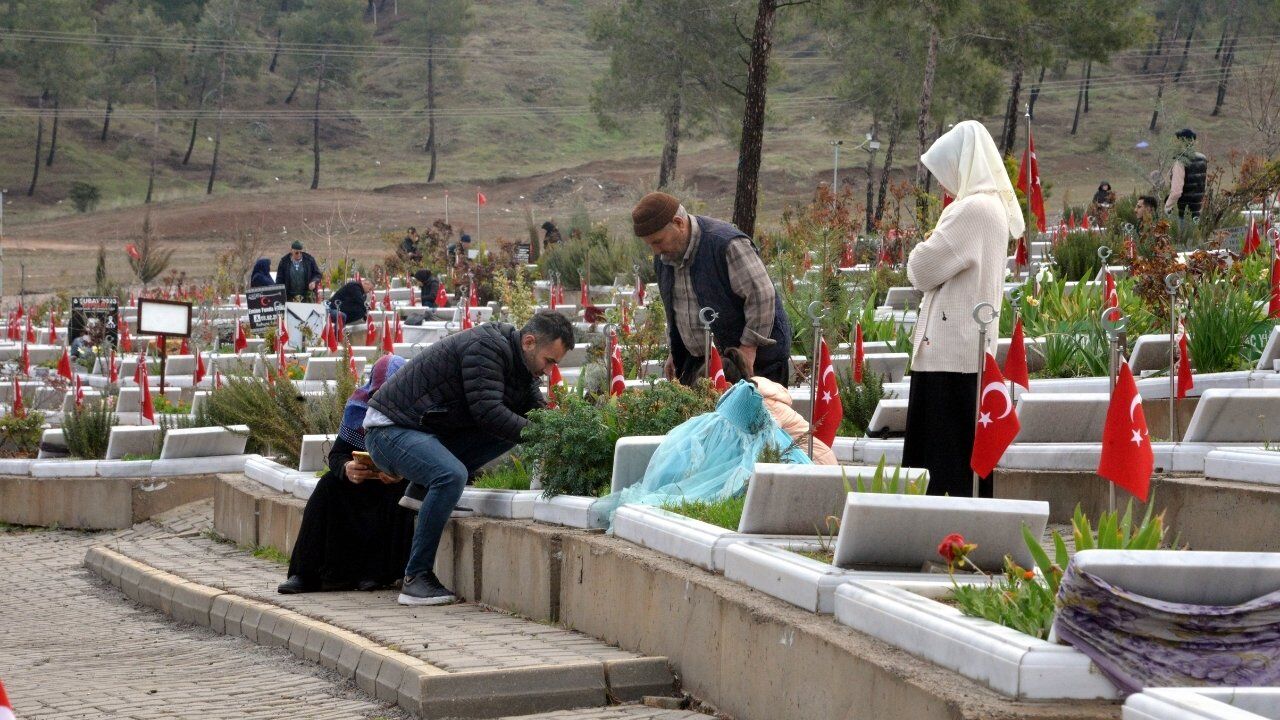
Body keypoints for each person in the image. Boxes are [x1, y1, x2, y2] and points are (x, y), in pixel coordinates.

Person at [363, 311, 575, 606]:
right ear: (529, 342)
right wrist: (541, 434)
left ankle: (420, 491)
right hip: (389, 430)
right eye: (549, 361)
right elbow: (487, 411)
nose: (549, 371)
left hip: (421, 429)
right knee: (450, 476)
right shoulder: (486, 347)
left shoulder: (519, 364)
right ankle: (416, 579)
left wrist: (563, 433)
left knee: (508, 432)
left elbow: (533, 412)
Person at [902, 120, 1025, 499]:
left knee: (941, 462)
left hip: (949, 353)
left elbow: (921, 269)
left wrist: (920, 247)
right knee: (962, 458)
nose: (944, 183)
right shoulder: (992, 207)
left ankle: (942, 527)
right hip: (969, 348)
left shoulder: (970, 209)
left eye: (946, 170)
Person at [278, 355, 416, 594]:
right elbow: (337, 455)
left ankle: (375, 574)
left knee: (403, 494)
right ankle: (305, 573)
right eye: (378, 392)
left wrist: (401, 474)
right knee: (328, 485)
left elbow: (429, 460)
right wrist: (347, 468)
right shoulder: (358, 409)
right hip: (361, 484)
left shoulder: (416, 411)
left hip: (395, 486)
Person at [633, 191, 792, 386]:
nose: (656, 250)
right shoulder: (664, 257)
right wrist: (674, 352)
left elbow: (762, 295)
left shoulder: (726, 244)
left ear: (678, 223)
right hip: (699, 364)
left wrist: (749, 348)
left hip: (751, 362)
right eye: (650, 244)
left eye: (658, 241)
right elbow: (676, 309)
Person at [720, 347, 836, 465]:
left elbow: (765, 443)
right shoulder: (755, 394)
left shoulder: (761, 403)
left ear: (728, 386)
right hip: (805, 460)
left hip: (814, 463)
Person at [1165, 128, 1208, 219]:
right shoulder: (1203, 158)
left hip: (1183, 212)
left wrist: (1168, 206)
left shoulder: (1180, 161)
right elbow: (1203, 185)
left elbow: (1176, 192)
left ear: (1182, 141)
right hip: (1198, 210)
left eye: (1177, 141)